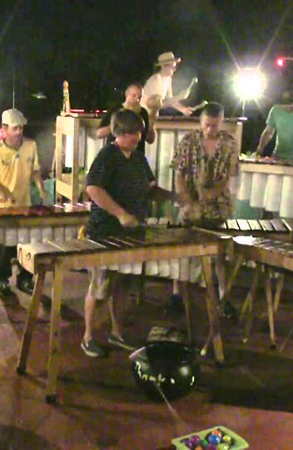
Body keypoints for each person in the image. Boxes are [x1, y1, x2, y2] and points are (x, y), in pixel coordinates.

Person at [80, 109, 174, 357]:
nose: (138, 137)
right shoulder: (106, 156)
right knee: (99, 288)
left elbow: (151, 189)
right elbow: (93, 189)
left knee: (122, 284)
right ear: (119, 133)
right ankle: (88, 336)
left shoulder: (138, 159)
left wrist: (174, 197)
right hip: (104, 232)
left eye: (139, 133)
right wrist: (120, 213)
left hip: (131, 234)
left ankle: (117, 332)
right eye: (133, 133)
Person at [173, 102, 239, 311]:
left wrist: (211, 194)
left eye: (215, 125)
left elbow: (227, 177)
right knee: (181, 250)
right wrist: (186, 199)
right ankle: (176, 294)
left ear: (221, 122)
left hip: (217, 205)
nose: (210, 130)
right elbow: (179, 173)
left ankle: (223, 296)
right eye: (207, 125)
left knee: (220, 252)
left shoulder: (229, 143)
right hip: (191, 204)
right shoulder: (188, 141)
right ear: (200, 122)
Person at [0, 108, 47, 296]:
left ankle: (25, 278)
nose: (19, 132)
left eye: (21, 128)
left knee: (27, 243)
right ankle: (2, 281)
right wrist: (1, 192)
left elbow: (35, 170)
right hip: (3, 208)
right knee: (4, 246)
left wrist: (41, 187)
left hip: (24, 204)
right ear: (4, 128)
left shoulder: (30, 146)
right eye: (15, 128)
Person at [96, 82, 156, 155]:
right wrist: (117, 123)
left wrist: (152, 120)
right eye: (134, 95)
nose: (137, 100)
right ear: (126, 94)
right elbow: (99, 134)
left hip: (136, 156)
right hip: (115, 155)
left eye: (139, 97)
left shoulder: (143, 113)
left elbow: (150, 140)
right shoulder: (115, 110)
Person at [141, 52, 200, 117]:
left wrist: (184, 109)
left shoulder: (168, 79)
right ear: (164, 66)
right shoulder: (156, 80)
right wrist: (179, 97)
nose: (174, 69)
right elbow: (158, 103)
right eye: (172, 67)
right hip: (144, 114)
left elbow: (170, 100)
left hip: (153, 114)